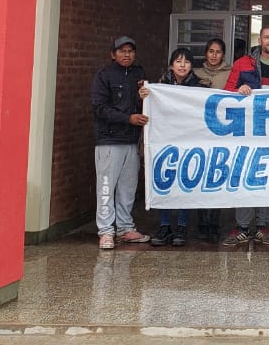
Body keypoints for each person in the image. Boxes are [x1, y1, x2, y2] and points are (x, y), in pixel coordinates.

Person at [222, 24, 269, 247]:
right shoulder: (242, 63)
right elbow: (226, 93)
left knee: (267, 178)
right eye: (267, 37)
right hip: (247, 131)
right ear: (261, 39)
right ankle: (243, 227)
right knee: (245, 176)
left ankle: (263, 226)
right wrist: (239, 90)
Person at [91, 36, 152, 249]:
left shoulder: (138, 74)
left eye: (130, 51)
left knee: (128, 187)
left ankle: (125, 228)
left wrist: (145, 97)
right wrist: (128, 118)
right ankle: (106, 231)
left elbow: (142, 103)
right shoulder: (104, 76)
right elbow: (100, 108)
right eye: (122, 51)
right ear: (113, 54)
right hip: (109, 140)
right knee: (107, 187)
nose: (127, 54)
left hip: (131, 140)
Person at [139, 47, 204, 246]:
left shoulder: (200, 87)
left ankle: (182, 226)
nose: (182, 65)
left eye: (186, 62)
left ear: (192, 66)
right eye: (178, 61)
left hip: (189, 143)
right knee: (163, 182)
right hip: (164, 143)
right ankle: (165, 225)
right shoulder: (159, 87)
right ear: (171, 65)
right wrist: (144, 96)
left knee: (185, 183)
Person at [193, 37, 230, 240]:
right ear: (206, 53)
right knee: (201, 177)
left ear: (223, 54)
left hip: (222, 134)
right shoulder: (195, 73)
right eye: (210, 51)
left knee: (218, 178)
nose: (214, 55)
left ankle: (214, 222)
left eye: (218, 52)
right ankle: (201, 222)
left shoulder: (231, 73)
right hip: (200, 133)